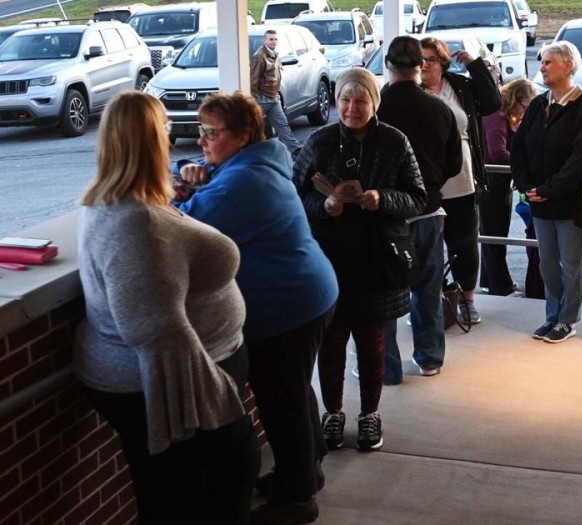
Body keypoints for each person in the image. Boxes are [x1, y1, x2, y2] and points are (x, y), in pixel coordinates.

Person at [74, 91, 259, 524]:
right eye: (165, 129)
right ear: (151, 140)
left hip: (169, 379)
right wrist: (216, 408)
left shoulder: (122, 202)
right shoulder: (135, 223)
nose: (173, 137)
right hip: (166, 389)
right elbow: (154, 331)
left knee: (172, 491)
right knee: (216, 484)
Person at [175, 91, 339, 524]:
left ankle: (298, 499)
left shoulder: (244, 181)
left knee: (280, 401)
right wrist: (198, 171)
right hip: (307, 296)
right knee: (294, 390)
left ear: (244, 135)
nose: (203, 141)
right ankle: (306, 470)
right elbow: (209, 180)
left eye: (212, 134)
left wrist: (183, 191)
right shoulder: (259, 163)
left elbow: (183, 227)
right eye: (201, 132)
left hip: (288, 306)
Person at [293, 68, 427, 454]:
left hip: (378, 259)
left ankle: (370, 414)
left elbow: (418, 198)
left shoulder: (394, 142)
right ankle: (333, 412)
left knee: (372, 343)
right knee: (330, 343)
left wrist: (383, 199)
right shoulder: (318, 142)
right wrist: (324, 205)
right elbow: (295, 194)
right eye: (345, 101)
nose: (352, 108)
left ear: (374, 102)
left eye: (361, 100)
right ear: (336, 103)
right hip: (329, 260)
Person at [377, 36, 463, 382]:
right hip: (429, 210)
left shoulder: (376, 108)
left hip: (385, 213)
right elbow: (454, 164)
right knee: (426, 287)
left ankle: (387, 367)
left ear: (387, 64)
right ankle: (430, 358)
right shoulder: (439, 109)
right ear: (420, 66)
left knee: (383, 293)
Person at [510, 41, 582, 343]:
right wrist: (527, 186)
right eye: (541, 62)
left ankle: (567, 319)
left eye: (548, 62)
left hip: (569, 202)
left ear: (568, 65)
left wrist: (550, 189)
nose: (541, 67)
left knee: (571, 264)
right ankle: (551, 315)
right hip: (541, 200)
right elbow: (520, 147)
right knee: (547, 263)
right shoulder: (540, 104)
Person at [419, 36, 501, 324]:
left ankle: (467, 300)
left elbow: (493, 103)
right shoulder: (408, 91)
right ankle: (431, 303)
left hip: (463, 181)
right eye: (419, 59)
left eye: (430, 59)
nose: (423, 64)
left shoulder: (460, 86)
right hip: (424, 185)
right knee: (426, 247)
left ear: (443, 62)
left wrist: (476, 66)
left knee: (464, 245)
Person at [481, 78, 538, 296]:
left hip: (497, 181)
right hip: (492, 181)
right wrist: (522, 165)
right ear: (514, 99)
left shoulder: (504, 116)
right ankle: (500, 285)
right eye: (525, 105)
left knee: (492, 234)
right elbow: (497, 153)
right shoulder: (497, 116)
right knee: (494, 235)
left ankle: (490, 280)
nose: (526, 110)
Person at [250, 29, 304, 154]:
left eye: (275, 39)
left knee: (283, 125)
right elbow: (253, 80)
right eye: (270, 39)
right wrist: (255, 100)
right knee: (254, 128)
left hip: (274, 98)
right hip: (262, 99)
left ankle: (296, 151)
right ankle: (253, 154)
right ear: (265, 40)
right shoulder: (259, 56)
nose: (273, 41)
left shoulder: (275, 55)